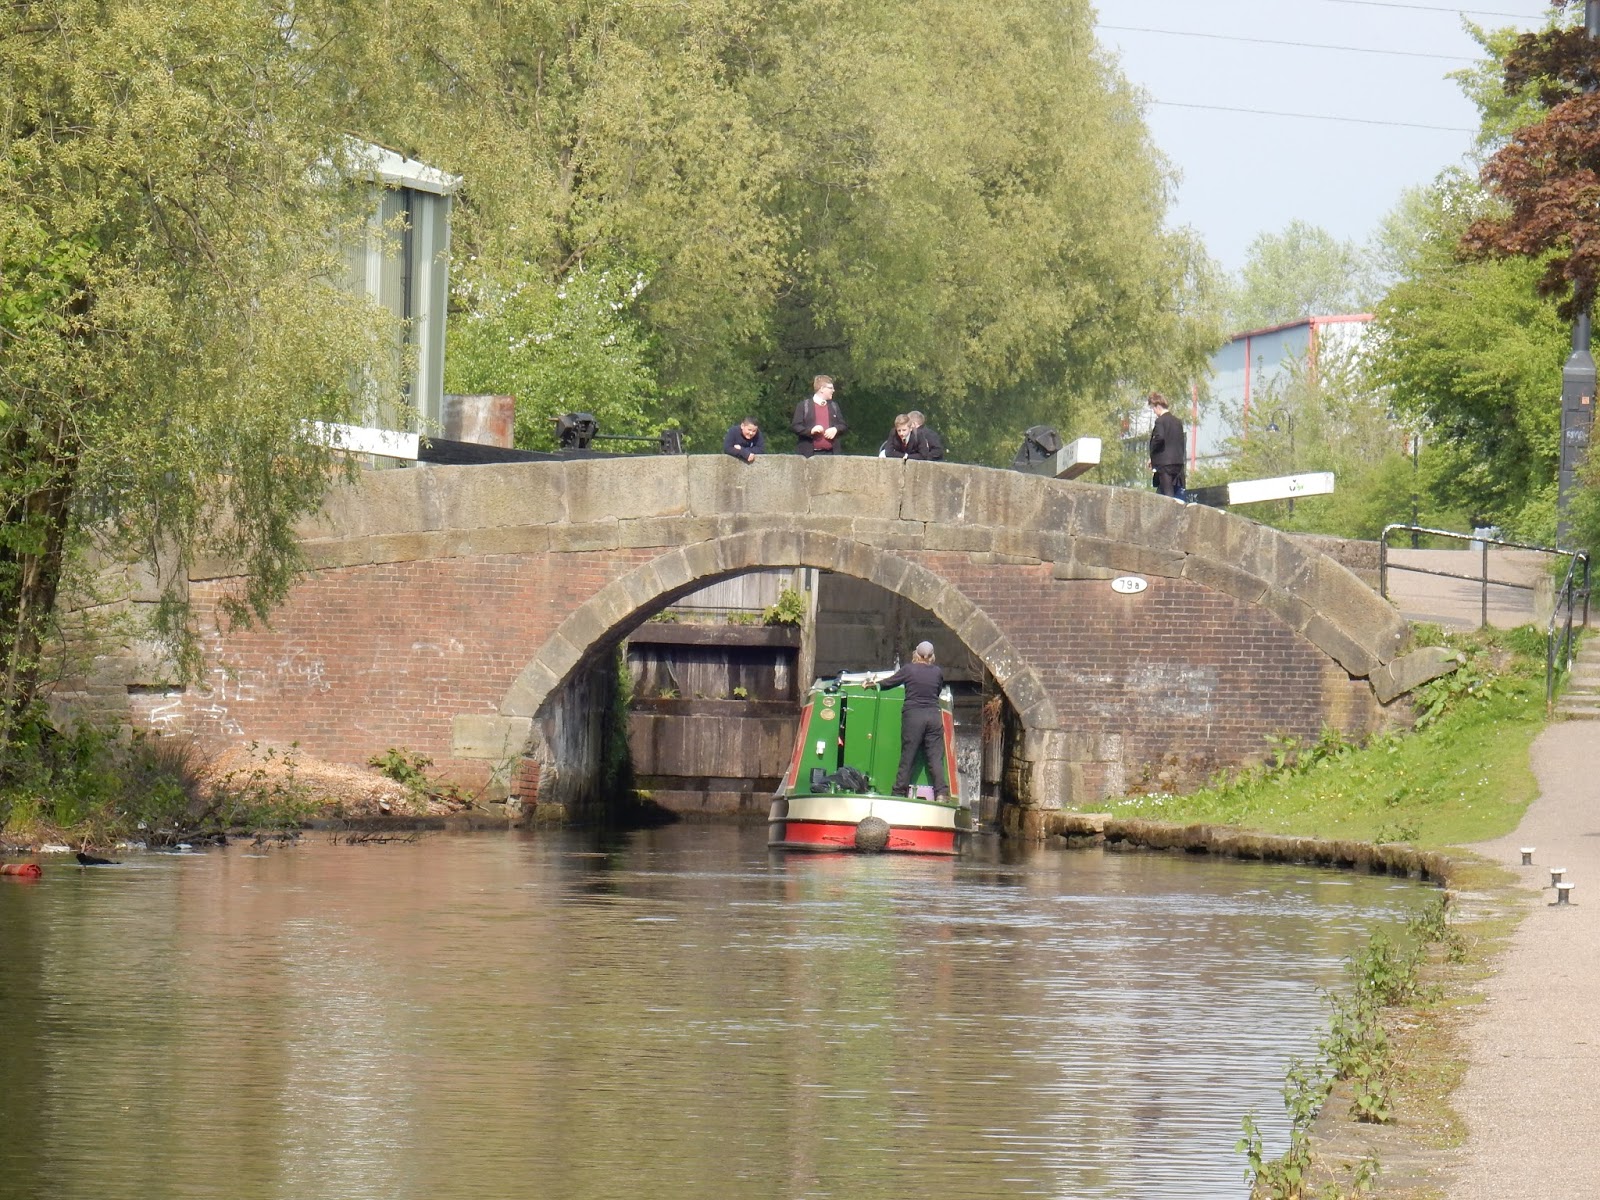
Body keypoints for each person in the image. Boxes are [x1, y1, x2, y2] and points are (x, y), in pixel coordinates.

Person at [868, 641, 950, 800]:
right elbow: (938, 691)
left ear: (916, 654)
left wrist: (872, 684)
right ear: (932, 656)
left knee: (908, 755)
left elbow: (889, 682)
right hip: (933, 716)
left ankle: (899, 792)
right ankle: (941, 793)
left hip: (913, 717)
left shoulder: (909, 669)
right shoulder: (937, 672)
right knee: (935, 757)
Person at [792, 374, 847, 456]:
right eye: (830, 388)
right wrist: (811, 431)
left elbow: (843, 425)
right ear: (822, 389)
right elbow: (795, 426)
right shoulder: (804, 406)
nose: (833, 390)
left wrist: (836, 429)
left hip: (831, 455)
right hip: (809, 456)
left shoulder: (834, 406)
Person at [1147, 391, 1186, 499]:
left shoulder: (1160, 421)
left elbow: (1159, 438)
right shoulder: (1178, 422)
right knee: (1171, 493)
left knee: (1168, 496)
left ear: (1158, 406)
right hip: (1178, 463)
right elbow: (1180, 441)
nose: (1154, 411)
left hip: (1165, 465)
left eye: (1153, 408)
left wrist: (1153, 456)